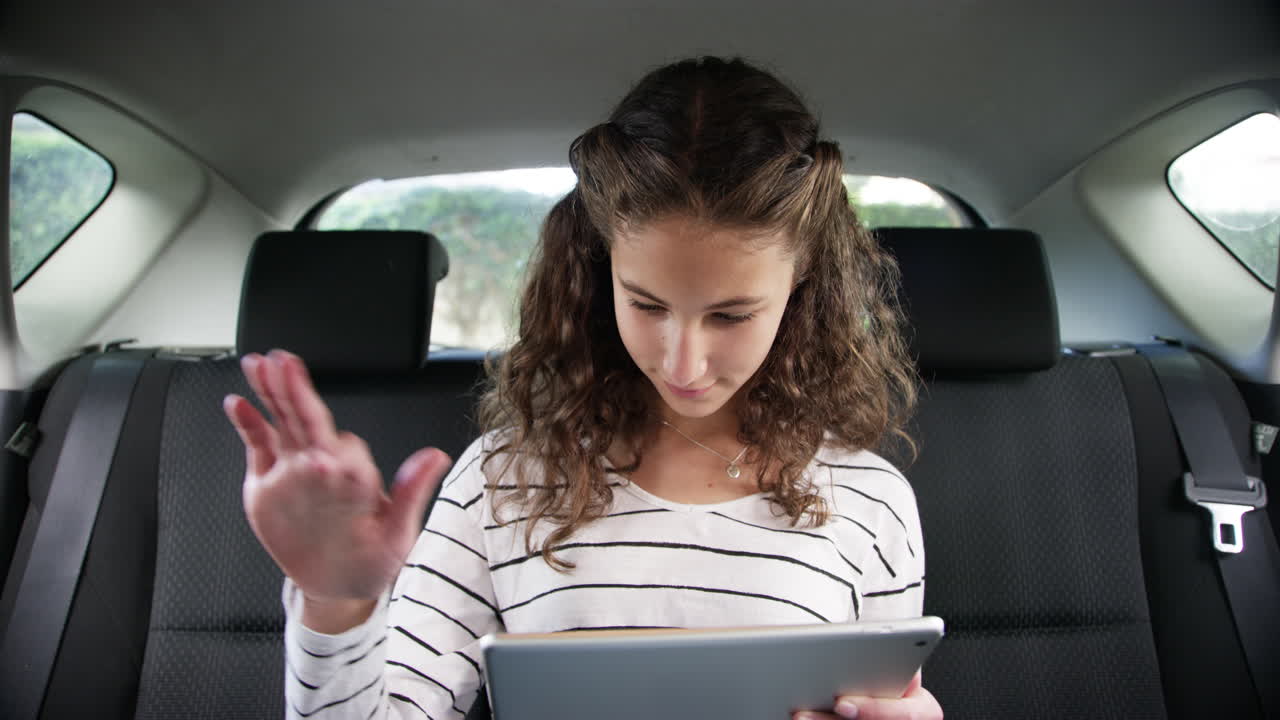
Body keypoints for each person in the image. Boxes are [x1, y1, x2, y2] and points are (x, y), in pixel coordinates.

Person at [224, 56, 942, 720]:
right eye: (648, 304)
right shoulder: (502, 483)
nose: (684, 364)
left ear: (802, 287)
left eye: (730, 315)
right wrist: (337, 607)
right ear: (601, 274)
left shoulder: (871, 504)